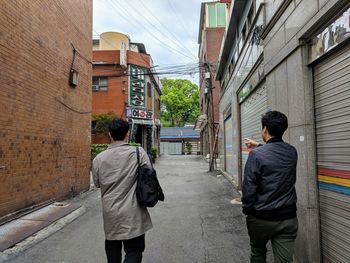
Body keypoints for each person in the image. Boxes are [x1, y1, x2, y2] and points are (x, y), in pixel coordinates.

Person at [92, 118, 153, 263]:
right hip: (134, 211)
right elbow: (149, 174)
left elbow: (97, 183)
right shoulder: (138, 153)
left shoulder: (99, 159)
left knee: (112, 250)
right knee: (134, 250)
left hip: (110, 212)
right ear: (127, 134)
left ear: (109, 134)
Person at [242, 111, 298, 263]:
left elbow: (249, 187)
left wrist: (248, 210)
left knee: (258, 252)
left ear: (264, 129)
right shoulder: (292, 152)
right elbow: (275, 154)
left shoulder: (256, 155)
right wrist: (259, 145)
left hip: (261, 218)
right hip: (287, 218)